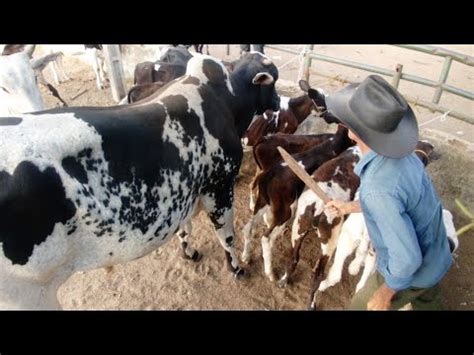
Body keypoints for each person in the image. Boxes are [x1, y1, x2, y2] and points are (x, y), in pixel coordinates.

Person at [324, 75, 453, 311]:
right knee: (428, 300)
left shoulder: (378, 187)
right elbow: (397, 200)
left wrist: (386, 292)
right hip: (437, 254)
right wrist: (348, 207)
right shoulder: (405, 156)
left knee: (360, 307)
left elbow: (407, 259)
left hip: (413, 270)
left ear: (353, 132)